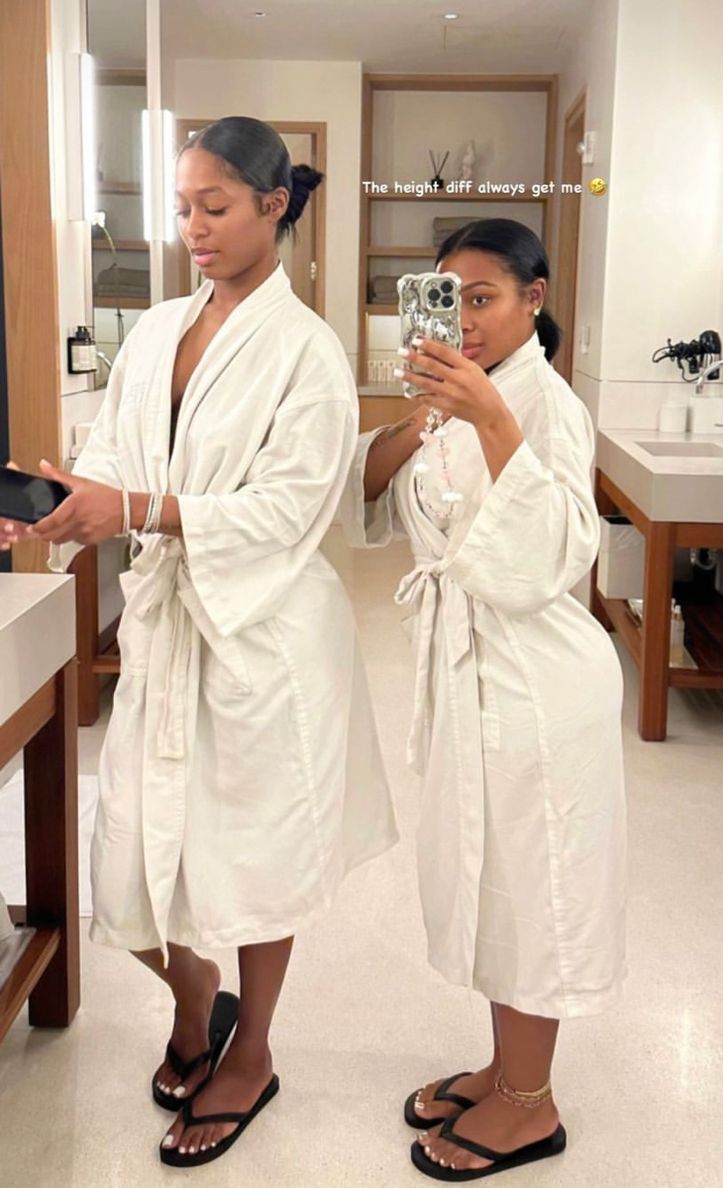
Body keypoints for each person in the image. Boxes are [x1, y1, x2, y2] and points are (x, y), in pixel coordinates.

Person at [1, 116, 397, 1169]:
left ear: (274, 207)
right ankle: (195, 998)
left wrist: (134, 503)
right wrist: (59, 504)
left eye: (214, 208)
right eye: (182, 208)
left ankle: (248, 1048)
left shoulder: (308, 354)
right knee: (127, 866)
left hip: (263, 638)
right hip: (174, 629)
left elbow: (290, 510)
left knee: (259, 860)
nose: (193, 230)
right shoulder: (158, 328)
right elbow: (113, 458)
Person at [340, 218, 627, 1181]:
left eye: (484, 298)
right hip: (470, 673)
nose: (463, 317)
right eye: (448, 296)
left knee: (531, 890)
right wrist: (420, 412)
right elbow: (381, 505)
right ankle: (507, 1069)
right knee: (487, 878)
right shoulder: (461, 397)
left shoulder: (541, 404)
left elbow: (554, 556)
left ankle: (531, 1107)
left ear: (533, 300)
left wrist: (489, 420)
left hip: (537, 683)